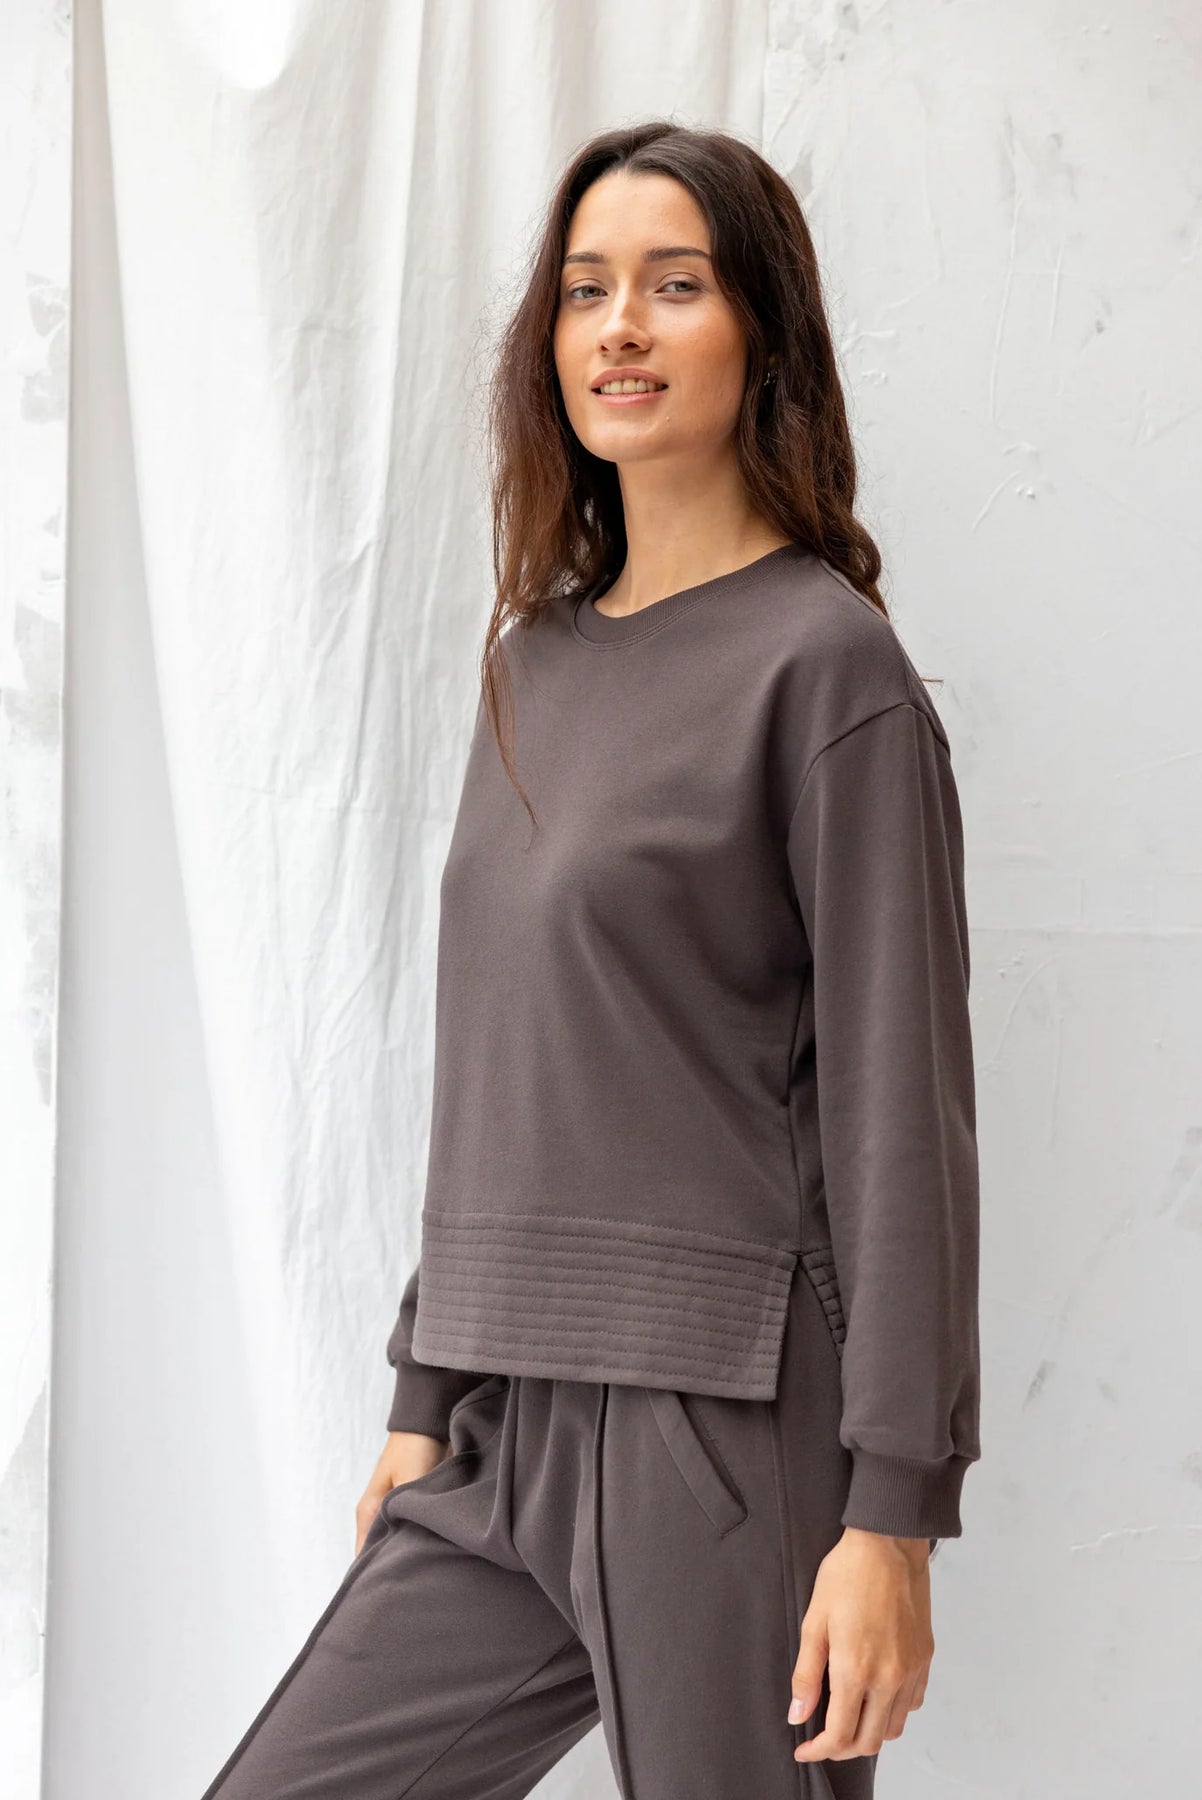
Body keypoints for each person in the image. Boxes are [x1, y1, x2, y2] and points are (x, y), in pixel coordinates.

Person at [201, 119, 981, 1800]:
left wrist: (890, 1519)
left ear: (762, 331)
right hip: (506, 1416)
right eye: (583, 290)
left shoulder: (827, 672)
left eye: (674, 285)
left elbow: (901, 1123)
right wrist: (425, 1394)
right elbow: (498, 1055)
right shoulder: (530, 662)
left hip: (726, 1418)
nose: (619, 326)